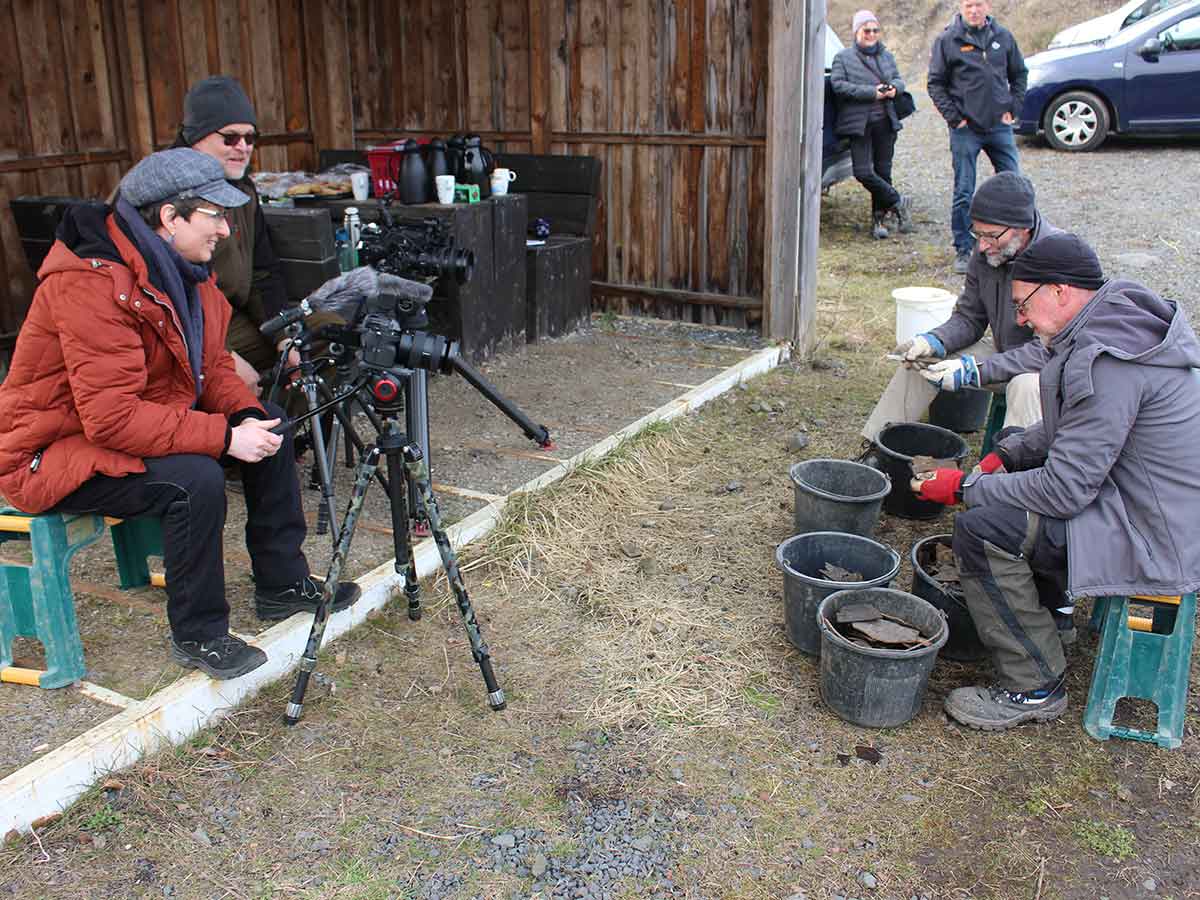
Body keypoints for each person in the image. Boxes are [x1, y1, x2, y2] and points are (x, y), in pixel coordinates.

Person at [0, 149, 359, 680]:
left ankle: (281, 584)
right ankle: (200, 634)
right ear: (170, 218)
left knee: (270, 420)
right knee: (195, 478)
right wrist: (221, 436)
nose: (225, 229)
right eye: (214, 215)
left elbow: (210, 364)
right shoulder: (91, 285)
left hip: (116, 430)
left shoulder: (186, 272)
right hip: (48, 453)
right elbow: (111, 419)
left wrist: (243, 415)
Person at [911, 232, 1200, 730]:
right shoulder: (1114, 324)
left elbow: (1065, 491)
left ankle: (1033, 685)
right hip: (1145, 503)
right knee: (1016, 465)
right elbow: (1079, 424)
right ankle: (1051, 620)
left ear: (1060, 291)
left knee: (983, 529)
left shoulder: (1109, 360)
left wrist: (963, 488)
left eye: (1023, 304)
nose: (1019, 319)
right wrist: (1008, 451)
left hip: (1152, 533)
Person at [861, 172, 1055, 442]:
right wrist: (933, 341)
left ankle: (1008, 478)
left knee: (1025, 385)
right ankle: (876, 449)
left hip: (1045, 369)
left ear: (1022, 228)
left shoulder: (1057, 258)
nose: (982, 245)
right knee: (918, 361)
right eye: (977, 233)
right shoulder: (988, 251)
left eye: (990, 236)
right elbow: (970, 317)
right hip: (1002, 352)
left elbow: (1047, 351)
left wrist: (972, 369)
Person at [172, 76, 295, 392]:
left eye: (250, 138)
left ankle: (280, 429)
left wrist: (284, 335)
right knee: (229, 383)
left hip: (231, 318)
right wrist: (221, 358)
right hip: (185, 330)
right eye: (230, 138)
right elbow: (158, 302)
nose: (243, 148)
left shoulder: (243, 189)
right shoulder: (168, 194)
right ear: (196, 138)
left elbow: (263, 273)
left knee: (319, 340)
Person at [927, 0, 1027, 274]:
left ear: (988, 6)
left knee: (1013, 184)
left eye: (979, 4)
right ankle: (963, 247)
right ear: (962, 7)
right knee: (964, 190)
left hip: (999, 126)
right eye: (969, 5)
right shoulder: (948, 40)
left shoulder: (1003, 37)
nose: (974, 10)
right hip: (966, 129)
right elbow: (935, 83)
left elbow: (1019, 74)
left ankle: (1016, 243)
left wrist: (1013, 108)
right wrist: (955, 119)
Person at [830, 10, 914, 240]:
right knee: (863, 172)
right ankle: (897, 201)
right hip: (859, 125)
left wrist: (895, 89)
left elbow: (898, 79)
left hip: (886, 122)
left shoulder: (886, 56)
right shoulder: (843, 58)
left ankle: (879, 221)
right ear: (856, 31)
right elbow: (838, 86)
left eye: (875, 30)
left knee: (883, 172)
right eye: (866, 30)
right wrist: (871, 93)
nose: (871, 34)